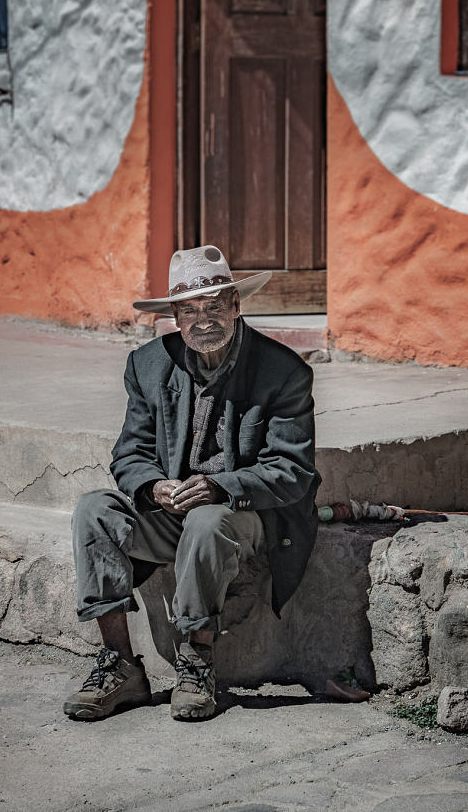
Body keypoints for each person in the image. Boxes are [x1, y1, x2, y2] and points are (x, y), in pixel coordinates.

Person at [63, 245, 320, 721]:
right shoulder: (148, 365)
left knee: (206, 519)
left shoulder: (283, 372)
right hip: (170, 510)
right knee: (94, 510)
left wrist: (220, 486)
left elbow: (292, 471)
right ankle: (120, 665)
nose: (203, 320)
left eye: (214, 305)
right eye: (189, 310)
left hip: (244, 518)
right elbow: (130, 453)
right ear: (175, 318)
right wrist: (153, 487)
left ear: (236, 306)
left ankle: (197, 662)